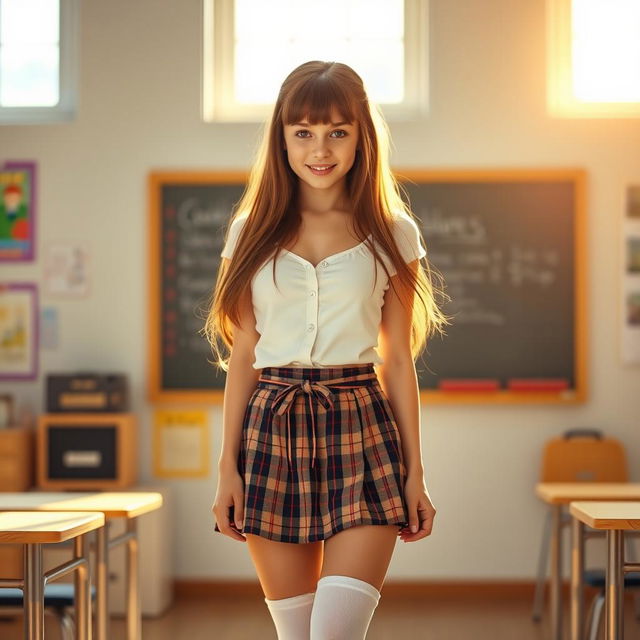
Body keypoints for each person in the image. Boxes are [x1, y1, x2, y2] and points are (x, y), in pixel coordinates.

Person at [202, 60, 450, 640]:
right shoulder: (249, 231)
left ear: (362, 136)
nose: (321, 149)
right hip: (271, 429)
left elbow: (396, 360)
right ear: (282, 137)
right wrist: (226, 470)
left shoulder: (394, 231)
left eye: (338, 131)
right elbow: (243, 355)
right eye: (304, 132)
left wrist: (416, 475)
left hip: (362, 427)